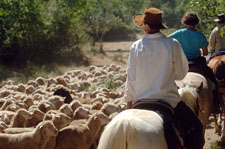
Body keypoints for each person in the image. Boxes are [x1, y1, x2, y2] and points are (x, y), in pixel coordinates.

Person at [124, 7, 204, 149]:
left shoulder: (136, 47)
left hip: (139, 101)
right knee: (196, 129)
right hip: (168, 101)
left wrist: (128, 105)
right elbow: (180, 74)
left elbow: (131, 79)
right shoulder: (172, 44)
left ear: (144, 27)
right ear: (160, 26)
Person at [169, 12, 221, 114]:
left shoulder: (179, 33)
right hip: (197, 64)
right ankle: (215, 104)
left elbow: (166, 39)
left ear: (185, 22)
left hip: (181, 63)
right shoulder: (200, 35)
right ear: (196, 23)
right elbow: (205, 53)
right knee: (213, 81)